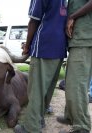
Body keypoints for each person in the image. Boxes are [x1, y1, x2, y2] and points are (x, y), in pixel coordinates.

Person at [14, 0, 68, 132]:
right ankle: (39, 119)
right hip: (60, 47)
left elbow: (33, 21)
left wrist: (26, 46)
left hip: (44, 45)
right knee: (48, 88)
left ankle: (31, 127)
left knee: (36, 89)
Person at [58, 1, 92, 132]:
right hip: (79, 39)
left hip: (84, 38)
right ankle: (71, 116)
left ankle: (82, 126)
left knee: (76, 85)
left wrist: (72, 16)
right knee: (72, 82)